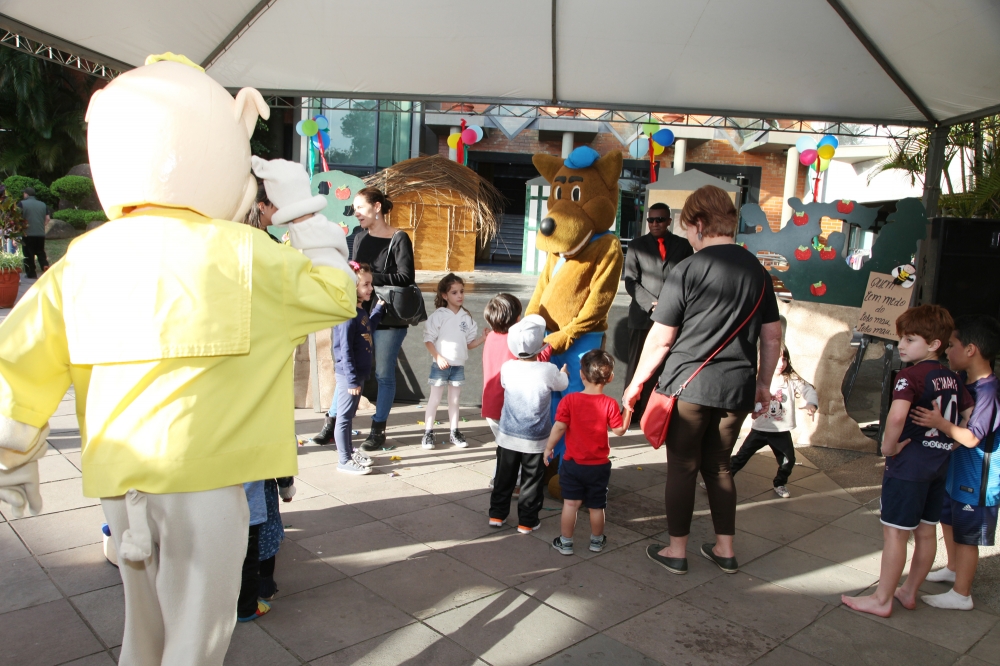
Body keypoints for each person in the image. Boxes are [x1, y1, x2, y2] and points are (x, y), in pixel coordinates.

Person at [623, 184, 781, 576]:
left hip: (688, 386)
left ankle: (676, 551)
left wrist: (635, 383)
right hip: (737, 387)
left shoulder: (688, 269)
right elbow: (772, 337)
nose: (688, 237)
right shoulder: (759, 272)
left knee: (682, 466)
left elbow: (662, 339)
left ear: (698, 224)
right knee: (720, 466)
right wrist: (763, 383)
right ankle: (725, 549)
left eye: (687, 229)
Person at [842, 305, 973, 617]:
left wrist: (888, 447)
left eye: (910, 339)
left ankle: (882, 599)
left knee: (895, 534)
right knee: (926, 531)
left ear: (934, 344)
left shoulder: (909, 376)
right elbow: (969, 415)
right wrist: (952, 442)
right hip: (939, 464)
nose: (901, 345)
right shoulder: (953, 379)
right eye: (901, 338)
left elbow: (897, 416)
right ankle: (909, 592)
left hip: (908, 465)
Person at [916, 315, 1000, 611]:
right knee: (948, 519)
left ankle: (962, 594)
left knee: (967, 537)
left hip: (977, 479)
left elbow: (972, 438)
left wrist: (940, 423)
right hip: (958, 473)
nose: (947, 351)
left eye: (951, 345)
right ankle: (953, 569)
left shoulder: (988, 392)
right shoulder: (964, 382)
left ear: (970, 349)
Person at [545, 350, 630, 556]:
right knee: (596, 506)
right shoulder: (610, 403)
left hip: (573, 465)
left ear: (581, 374)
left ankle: (565, 542)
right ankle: (597, 541)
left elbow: (559, 427)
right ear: (610, 378)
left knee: (570, 504)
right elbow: (619, 430)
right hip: (598, 467)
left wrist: (548, 447)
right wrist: (628, 408)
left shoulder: (569, 400)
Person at [350, 187, 415, 451]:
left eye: (360, 207)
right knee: (350, 369)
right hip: (360, 313)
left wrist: (370, 278)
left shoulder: (399, 238)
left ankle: (378, 429)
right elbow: (355, 273)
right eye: (354, 208)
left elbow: (406, 277)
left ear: (377, 207)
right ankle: (334, 422)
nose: (356, 213)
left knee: (383, 374)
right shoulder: (358, 238)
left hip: (389, 316)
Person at [491, 314, 569, 533]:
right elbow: (562, 384)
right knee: (531, 481)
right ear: (540, 345)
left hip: (507, 436)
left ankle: (497, 515)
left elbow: (505, 384)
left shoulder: (508, 367)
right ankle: (527, 521)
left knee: (504, 477)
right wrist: (563, 373)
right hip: (535, 439)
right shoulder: (548, 370)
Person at [314, 262, 385, 475]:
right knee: (344, 418)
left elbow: (367, 329)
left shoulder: (359, 311)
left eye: (370, 284)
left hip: (357, 374)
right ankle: (344, 460)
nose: (370, 288)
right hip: (349, 375)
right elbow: (345, 350)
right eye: (366, 284)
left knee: (348, 416)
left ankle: (349, 452)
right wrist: (352, 380)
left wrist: (378, 311)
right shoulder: (347, 315)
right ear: (352, 287)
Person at [623, 202, 692, 420]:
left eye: (660, 220)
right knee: (637, 364)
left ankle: (656, 413)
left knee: (665, 366)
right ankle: (630, 413)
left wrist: (670, 306)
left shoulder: (683, 246)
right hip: (642, 316)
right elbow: (630, 281)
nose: (655, 224)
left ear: (669, 221)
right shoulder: (636, 246)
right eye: (651, 220)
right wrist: (652, 304)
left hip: (673, 317)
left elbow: (688, 279)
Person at [730, 347, 818, 499]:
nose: (781, 363)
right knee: (740, 457)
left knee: (788, 460)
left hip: (781, 432)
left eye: (784, 359)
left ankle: (779, 483)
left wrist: (811, 404)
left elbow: (808, 390)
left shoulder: (791, 379)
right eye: (777, 359)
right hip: (760, 429)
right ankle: (720, 480)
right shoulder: (757, 378)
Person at [422, 273, 486, 449]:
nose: (459, 296)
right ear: (444, 295)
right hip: (440, 365)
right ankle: (428, 432)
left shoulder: (467, 318)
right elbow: (428, 340)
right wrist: (438, 357)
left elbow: (468, 344)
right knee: (435, 399)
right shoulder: (438, 316)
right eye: (454, 292)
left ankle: (454, 432)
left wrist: (482, 338)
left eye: (461, 291)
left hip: (458, 366)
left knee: (455, 400)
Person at [19, 187, 51, 278]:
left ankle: (31, 273)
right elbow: (48, 218)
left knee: (28, 254)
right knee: (40, 251)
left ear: (26, 194)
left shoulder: (22, 204)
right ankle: (45, 265)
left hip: (27, 233)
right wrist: (41, 225)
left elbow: (17, 217)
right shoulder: (43, 204)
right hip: (40, 233)